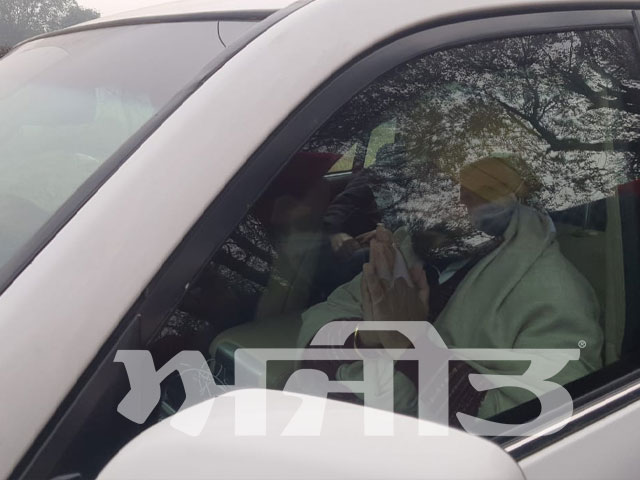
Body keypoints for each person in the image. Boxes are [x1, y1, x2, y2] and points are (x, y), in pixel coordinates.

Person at [297, 154, 603, 423]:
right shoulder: (409, 246)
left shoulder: (554, 295)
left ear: (510, 199)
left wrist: (413, 345)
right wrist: (369, 336)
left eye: (475, 190)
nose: (445, 202)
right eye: (435, 184)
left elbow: (537, 423)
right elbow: (319, 325)